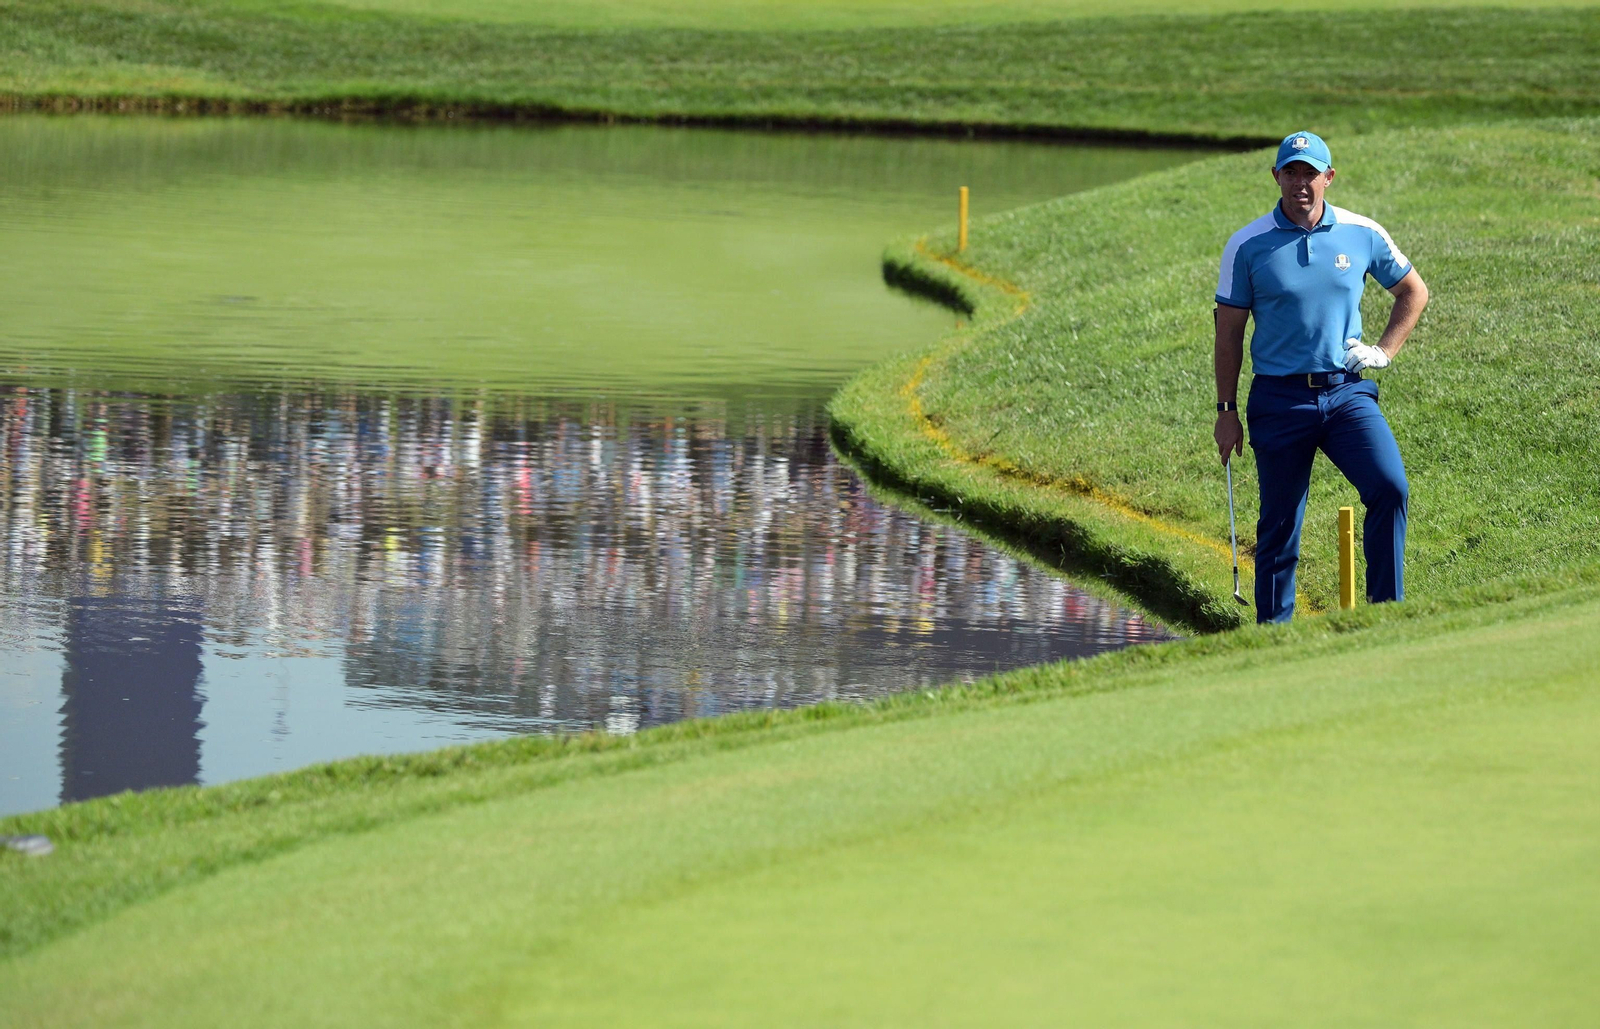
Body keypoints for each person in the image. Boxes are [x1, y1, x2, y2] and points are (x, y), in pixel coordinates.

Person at [1212, 130, 1429, 622]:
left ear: (1329, 177)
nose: (1301, 183)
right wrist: (1226, 412)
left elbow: (1413, 292)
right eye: (1291, 172)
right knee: (1281, 525)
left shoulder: (1361, 232)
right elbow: (1227, 336)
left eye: (1311, 173)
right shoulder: (1247, 245)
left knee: (1390, 487)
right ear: (1276, 177)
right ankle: (1273, 638)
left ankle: (1384, 619)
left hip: (1347, 394)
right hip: (1278, 399)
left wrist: (1384, 352)